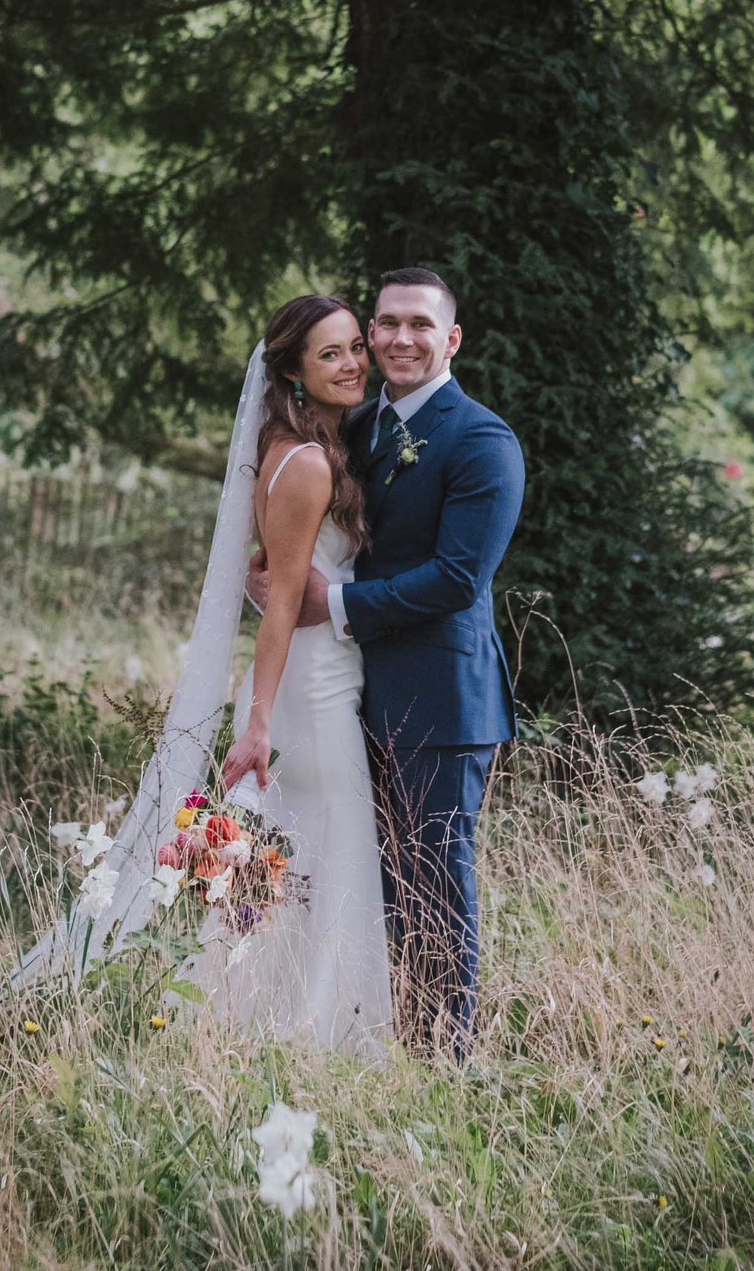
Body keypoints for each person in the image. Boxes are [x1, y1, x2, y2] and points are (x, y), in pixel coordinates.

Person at [247, 268, 525, 1060]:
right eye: (387, 324)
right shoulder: (352, 426)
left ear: (452, 339)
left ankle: (447, 1060)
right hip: (349, 695)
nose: (401, 339)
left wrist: (328, 606)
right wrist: (266, 579)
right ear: (369, 333)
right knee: (370, 886)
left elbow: (457, 578)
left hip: (442, 700)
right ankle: (361, 1032)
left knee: (435, 880)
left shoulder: (482, 440)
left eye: (420, 325)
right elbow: (291, 536)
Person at [175, 295, 395, 1057]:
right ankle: (321, 1026)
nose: (352, 364)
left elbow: (268, 571)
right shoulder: (304, 463)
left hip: (321, 672)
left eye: (353, 349)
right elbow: (278, 610)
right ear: (294, 373)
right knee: (332, 846)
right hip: (311, 686)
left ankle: (263, 1012)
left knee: (298, 854)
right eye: (329, 354)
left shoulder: (293, 444)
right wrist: (258, 721)